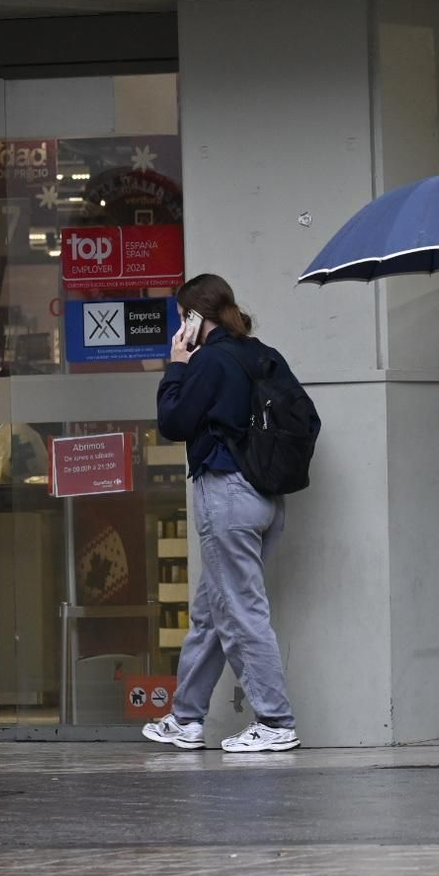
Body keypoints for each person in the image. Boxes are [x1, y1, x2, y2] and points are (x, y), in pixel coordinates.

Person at [141, 273, 302, 753]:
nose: (179, 327)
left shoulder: (209, 360)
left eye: (181, 317)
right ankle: (186, 717)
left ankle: (275, 721)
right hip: (266, 496)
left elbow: (174, 421)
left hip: (226, 493)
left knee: (240, 611)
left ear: (193, 318)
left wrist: (176, 365)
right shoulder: (262, 354)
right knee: (213, 611)